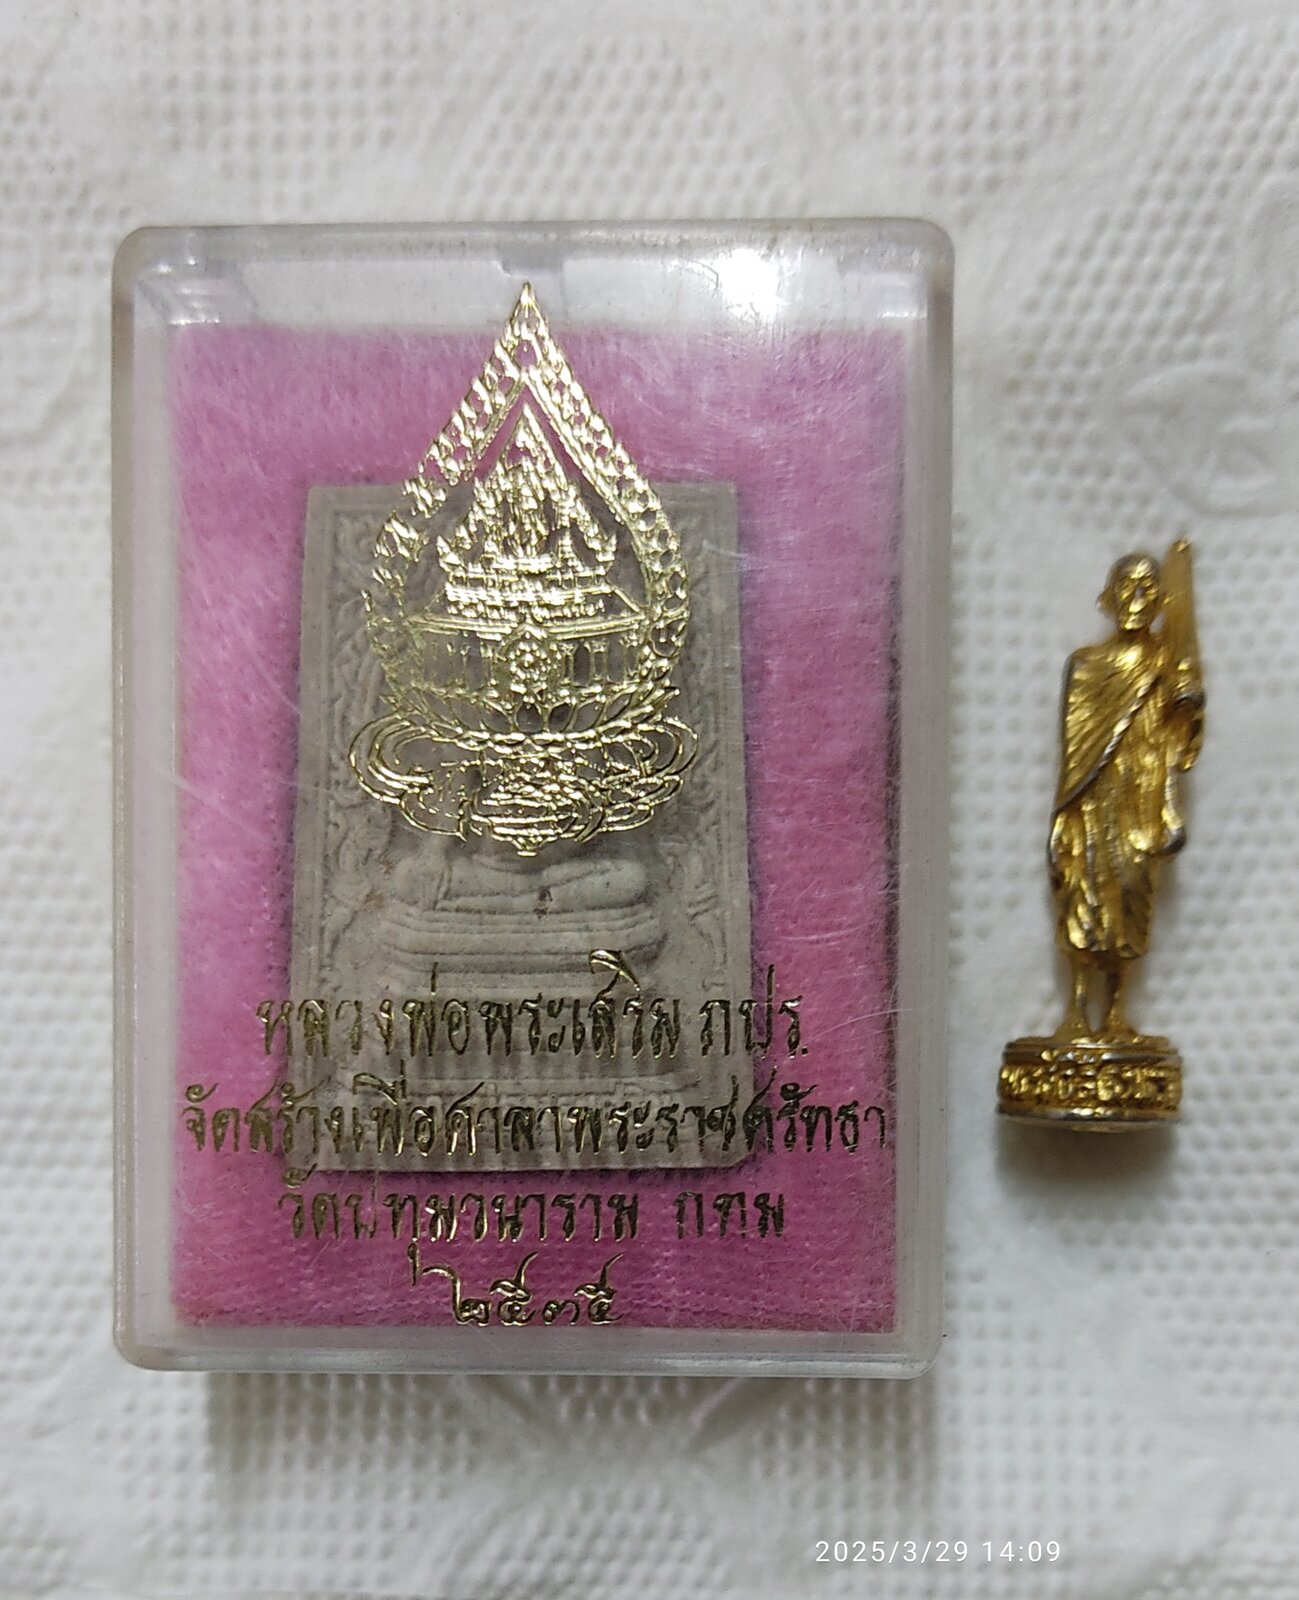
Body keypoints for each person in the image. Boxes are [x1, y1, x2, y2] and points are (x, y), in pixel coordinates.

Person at [1048, 543, 1205, 1040]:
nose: (1136, 597)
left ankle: (1116, 1012)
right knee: (1082, 898)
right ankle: (1076, 1010)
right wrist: (1062, 817)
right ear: (1109, 597)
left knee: (1130, 901)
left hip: (1142, 800)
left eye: (1148, 587)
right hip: (1092, 803)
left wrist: (1186, 706)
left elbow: (1177, 739)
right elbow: (1074, 752)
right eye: (1126, 586)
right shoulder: (1085, 666)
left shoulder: (1165, 663)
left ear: (1159, 600)